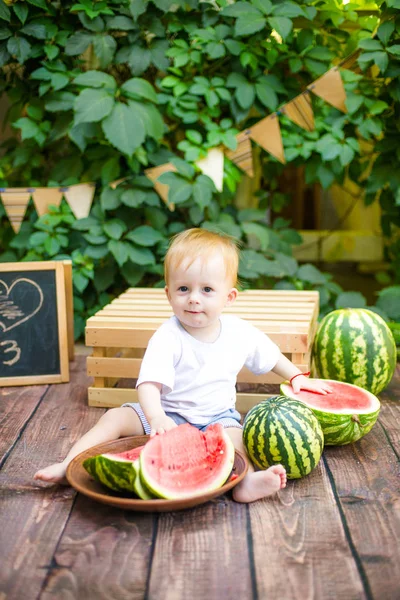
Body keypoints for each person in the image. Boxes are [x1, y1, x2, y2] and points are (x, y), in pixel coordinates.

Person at [34, 228, 331, 503]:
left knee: (239, 440)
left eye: (207, 290)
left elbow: (271, 356)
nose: (194, 299)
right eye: (184, 289)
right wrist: (157, 415)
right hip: (168, 413)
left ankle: (246, 484)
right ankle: (68, 464)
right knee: (114, 417)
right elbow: (149, 384)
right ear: (168, 293)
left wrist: (296, 377)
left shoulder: (240, 332)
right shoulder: (168, 335)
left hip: (218, 417)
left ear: (229, 297)